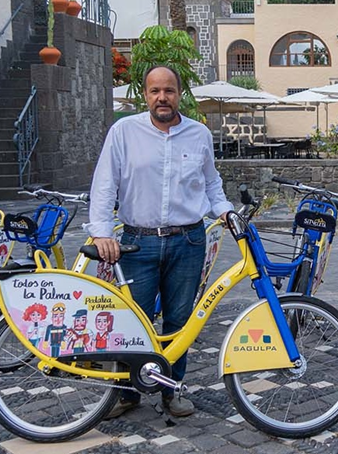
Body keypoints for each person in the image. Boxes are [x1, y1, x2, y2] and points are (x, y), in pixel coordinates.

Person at [88, 65, 234, 419]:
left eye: (168, 90)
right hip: (138, 243)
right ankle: (126, 393)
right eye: (155, 91)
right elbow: (105, 183)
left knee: (180, 321)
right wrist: (102, 231)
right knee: (132, 321)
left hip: (188, 240)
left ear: (179, 93)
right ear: (145, 94)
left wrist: (227, 212)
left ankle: (172, 391)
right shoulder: (124, 131)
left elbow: (211, 184)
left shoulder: (199, 134)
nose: (162, 98)